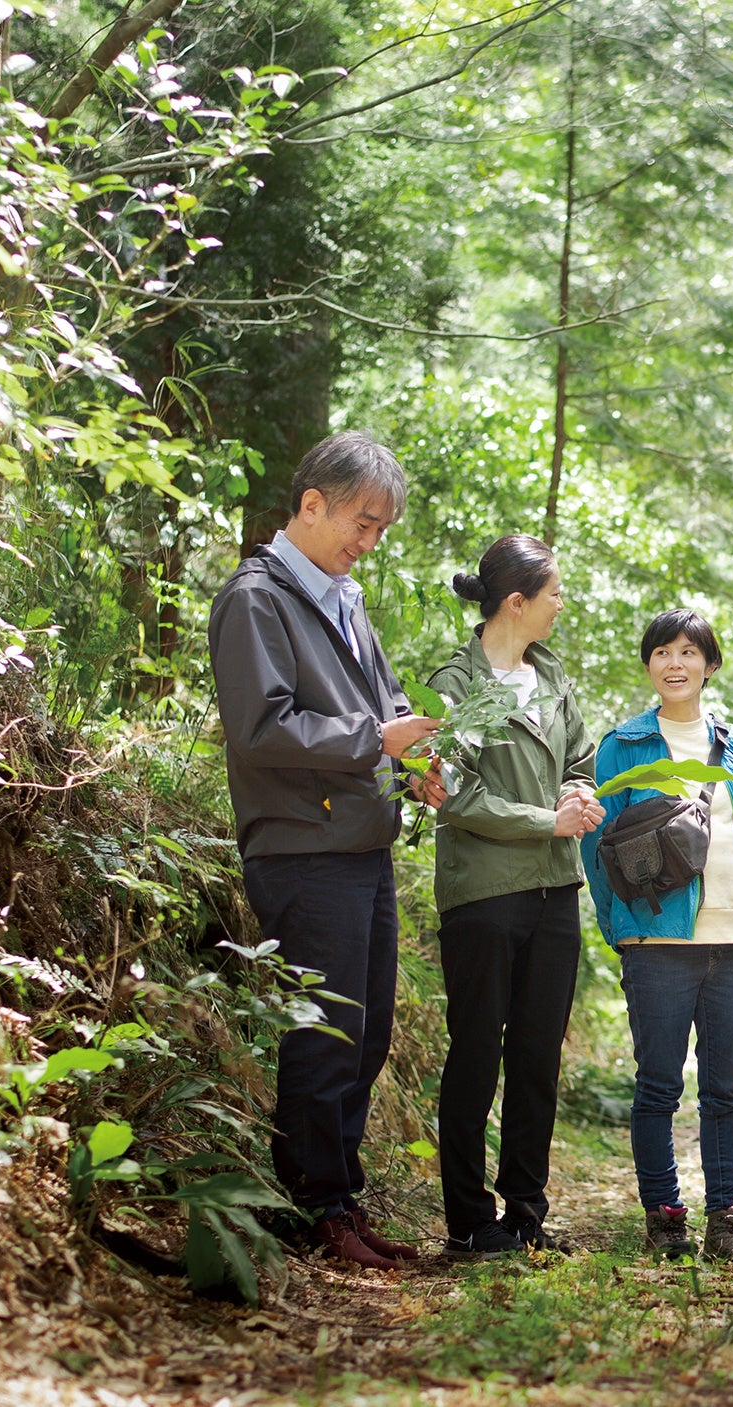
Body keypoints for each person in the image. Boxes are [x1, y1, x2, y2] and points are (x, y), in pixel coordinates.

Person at [207, 430, 445, 1271]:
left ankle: (339, 1201)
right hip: (301, 849)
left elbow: (382, 710)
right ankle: (310, 1211)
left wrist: (416, 765)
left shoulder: (345, 597)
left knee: (366, 1030)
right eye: (362, 522)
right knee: (323, 1032)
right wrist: (376, 740)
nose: (368, 540)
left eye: (381, 528)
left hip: (360, 843)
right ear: (312, 505)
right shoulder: (256, 598)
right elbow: (263, 725)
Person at [428, 534, 603, 1258]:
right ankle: (469, 1221)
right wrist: (546, 821)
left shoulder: (555, 676)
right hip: (484, 894)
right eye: (555, 592)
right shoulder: (454, 682)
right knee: (476, 1051)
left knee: (536, 1056)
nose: (562, 604)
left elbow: (582, 758)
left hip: (556, 892)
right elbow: (453, 792)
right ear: (517, 601)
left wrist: (576, 789)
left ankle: (525, 1213)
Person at [582, 609, 733, 1267]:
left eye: (689, 651)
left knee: (725, 1088)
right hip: (656, 940)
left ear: (709, 664)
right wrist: (621, 926)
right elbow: (596, 842)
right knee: (659, 1084)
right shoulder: (623, 744)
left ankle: (728, 1219)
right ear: (648, 665)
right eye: (662, 651)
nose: (675, 663)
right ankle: (664, 1218)